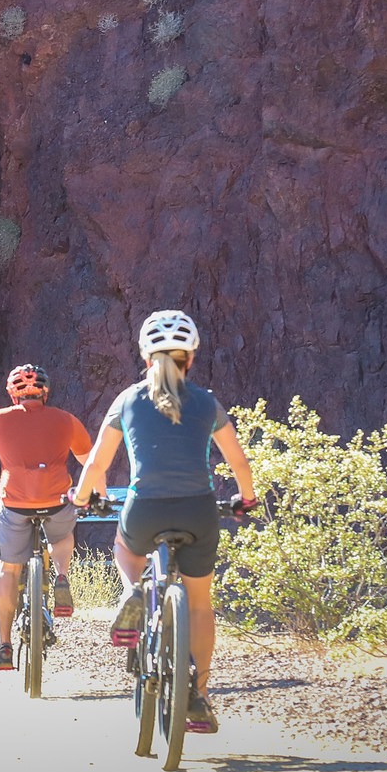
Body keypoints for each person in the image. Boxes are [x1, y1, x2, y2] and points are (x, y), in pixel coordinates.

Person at [71, 309, 257, 734]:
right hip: (199, 508)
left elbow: (99, 461)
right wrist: (246, 499)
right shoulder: (207, 402)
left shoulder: (128, 400)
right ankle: (201, 696)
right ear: (190, 358)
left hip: (145, 506)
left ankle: (131, 591)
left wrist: (82, 498)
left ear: (145, 356)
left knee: (124, 547)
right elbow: (238, 461)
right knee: (199, 603)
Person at [0, 364, 94, 671]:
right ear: (45, 392)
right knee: (61, 535)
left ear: (12, 392)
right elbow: (91, 463)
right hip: (56, 500)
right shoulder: (66, 421)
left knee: (7, 569)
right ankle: (61, 576)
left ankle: (5, 646)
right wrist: (92, 496)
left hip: (15, 504)